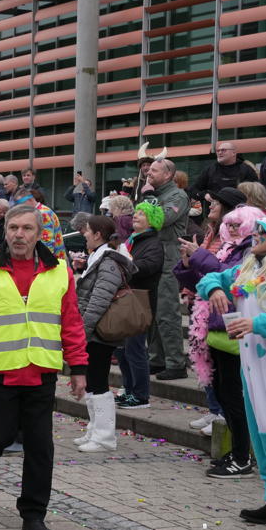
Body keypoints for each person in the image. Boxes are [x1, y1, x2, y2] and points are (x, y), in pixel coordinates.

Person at [0, 205, 88, 530]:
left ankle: (33, 514)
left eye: (27, 228)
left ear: (39, 233)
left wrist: (79, 368)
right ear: (4, 231)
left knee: (40, 446)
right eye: (13, 227)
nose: (19, 235)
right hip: (0, 372)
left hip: (41, 373)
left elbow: (71, 323)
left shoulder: (60, 273)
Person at [198, 214, 266, 530]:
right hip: (253, 370)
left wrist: (256, 324)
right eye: (256, 230)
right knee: (265, 435)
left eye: (264, 231)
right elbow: (209, 278)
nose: (256, 235)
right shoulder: (248, 270)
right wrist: (214, 290)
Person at [177, 205, 264, 476]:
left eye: (240, 224)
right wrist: (189, 264)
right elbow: (206, 279)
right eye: (232, 224)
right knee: (224, 396)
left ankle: (242, 456)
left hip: (237, 331)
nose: (234, 229)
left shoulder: (252, 251)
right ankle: (238, 452)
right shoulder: (228, 247)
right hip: (215, 328)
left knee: (234, 398)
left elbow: (233, 278)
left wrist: (201, 255)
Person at [74, 215, 135, 452]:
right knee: (92, 380)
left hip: (99, 331)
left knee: (98, 381)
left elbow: (99, 301)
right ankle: (95, 430)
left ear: (98, 234)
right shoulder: (98, 258)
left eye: (87, 231)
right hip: (93, 330)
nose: (84, 234)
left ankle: (104, 437)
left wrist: (83, 331)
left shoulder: (107, 262)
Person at [141, 159, 189, 379]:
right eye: (148, 170)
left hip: (169, 258)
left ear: (168, 175)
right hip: (152, 257)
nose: (148, 173)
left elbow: (161, 219)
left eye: (154, 170)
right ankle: (157, 359)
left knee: (167, 311)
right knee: (152, 312)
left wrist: (149, 197)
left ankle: (176, 363)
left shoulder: (177, 196)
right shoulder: (154, 194)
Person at [115, 202, 164, 411]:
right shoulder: (132, 240)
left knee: (135, 349)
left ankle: (141, 395)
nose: (136, 216)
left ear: (151, 220)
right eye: (136, 213)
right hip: (126, 299)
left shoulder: (153, 243)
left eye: (142, 214)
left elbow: (149, 267)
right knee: (122, 350)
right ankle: (128, 389)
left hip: (140, 301)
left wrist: (127, 261)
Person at [13, 187, 66, 259]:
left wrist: (43, 261)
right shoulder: (41, 210)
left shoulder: (42, 214)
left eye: (22, 205)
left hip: (52, 261)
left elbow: (47, 242)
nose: (21, 209)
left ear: (30, 200)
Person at [194, 142, 258, 202]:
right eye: (218, 151)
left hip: (239, 208)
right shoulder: (210, 170)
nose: (219, 153)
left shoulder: (246, 169)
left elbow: (256, 191)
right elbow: (194, 190)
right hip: (215, 209)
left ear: (233, 153)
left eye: (223, 150)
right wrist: (204, 195)